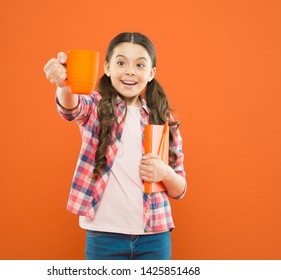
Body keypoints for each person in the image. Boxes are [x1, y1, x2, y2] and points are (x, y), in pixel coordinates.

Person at [43, 32, 187, 260]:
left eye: (140, 65)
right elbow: (71, 108)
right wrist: (64, 85)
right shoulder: (96, 108)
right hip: (103, 237)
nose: (130, 71)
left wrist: (164, 173)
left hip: (154, 238)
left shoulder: (163, 119)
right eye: (121, 63)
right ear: (108, 68)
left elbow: (179, 189)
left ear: (151, 73)